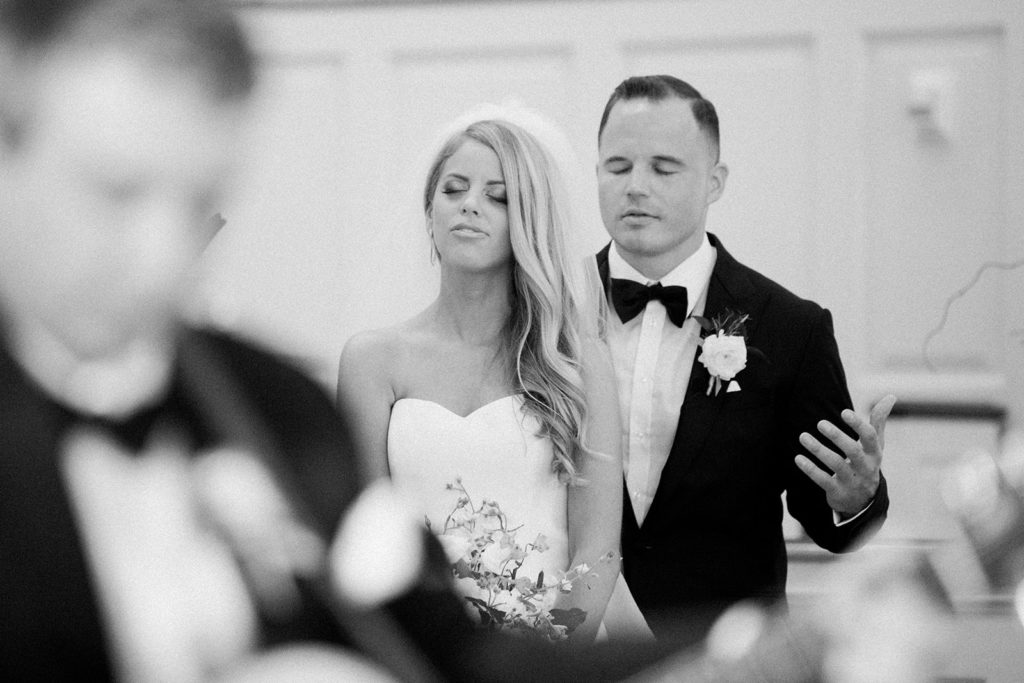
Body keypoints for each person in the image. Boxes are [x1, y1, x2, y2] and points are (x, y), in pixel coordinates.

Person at [0, 1, 497, 680]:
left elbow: (456, 656)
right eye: (116, 192)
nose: (165, 255)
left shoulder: (279, 404)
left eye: (199, 198)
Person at [594, 74, 895, 644]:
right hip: (575, 654)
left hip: (732, 654)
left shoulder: (792, 327)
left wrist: (854, 499)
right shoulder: (544, 311)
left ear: (715, 183)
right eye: (617, 166)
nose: (636, 187)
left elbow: (829, 524)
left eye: (663, 168)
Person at [337, 115, 637, 644]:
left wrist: (547, 664)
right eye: (454, 189)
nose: (470, 204)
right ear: (430, 212)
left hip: (553, 656)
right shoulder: (372, 361)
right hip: (424, 650)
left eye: (498, 196)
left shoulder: (577, 362)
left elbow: (599, 550)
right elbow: (369, 542)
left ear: (529, 220)